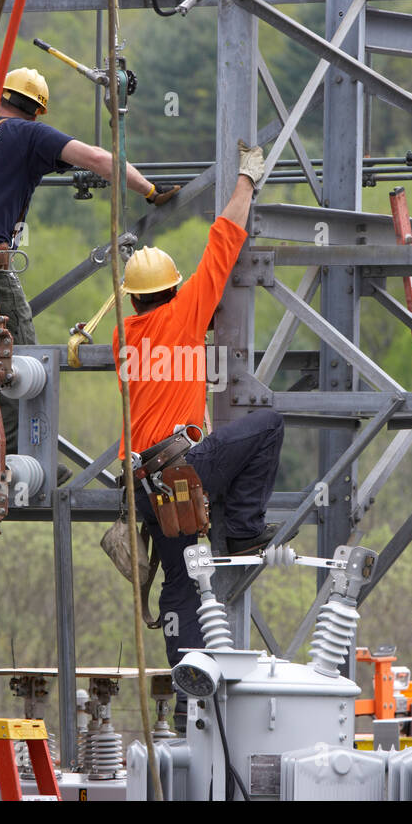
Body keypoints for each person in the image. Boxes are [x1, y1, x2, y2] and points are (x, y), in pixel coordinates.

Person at [0, 66, 178, 487]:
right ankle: (16, 464)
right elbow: (96, 159)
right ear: (36, 112)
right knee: (23, 362)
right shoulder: (29, 135)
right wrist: (149, 190)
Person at [112, 141, 284, 667]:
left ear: (134, 299)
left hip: (142, 484)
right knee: (269, 426)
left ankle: (187, 693)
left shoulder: (124, 337)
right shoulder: (184, 313)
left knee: (182, 589)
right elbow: (224, 239)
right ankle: (247, 532)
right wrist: (247, 181)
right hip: (183, 469)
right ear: (173, 290)